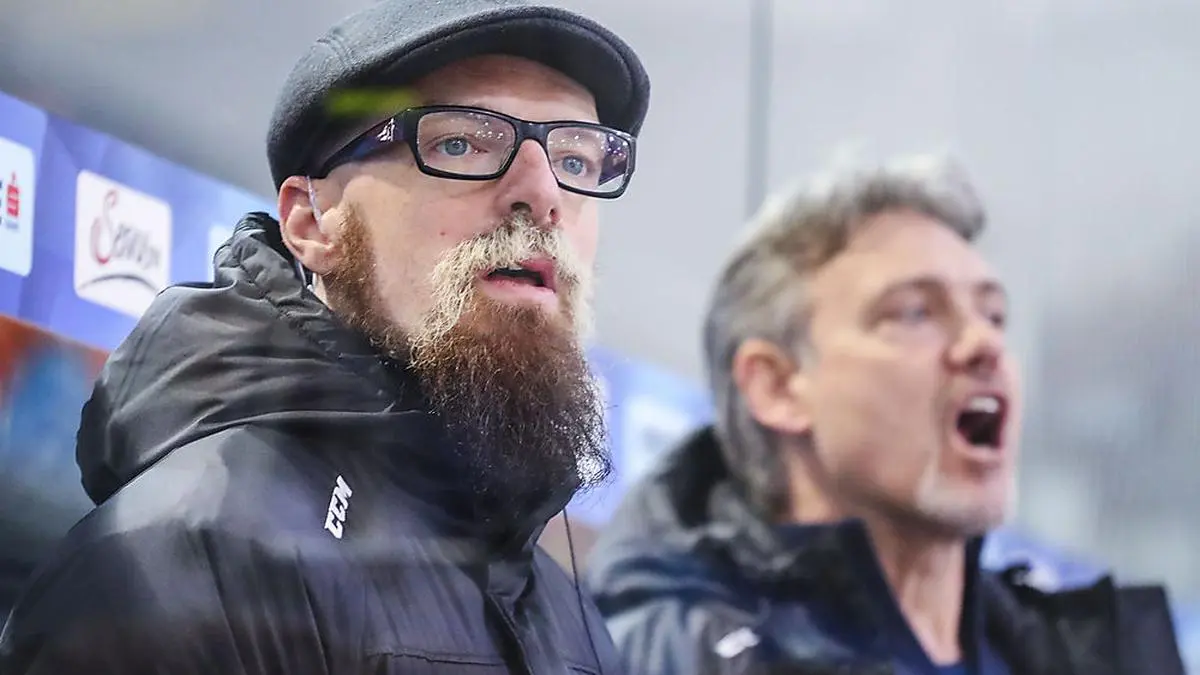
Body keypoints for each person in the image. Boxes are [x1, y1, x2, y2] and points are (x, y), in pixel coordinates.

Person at [0, 0, 650, 672]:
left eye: (576, 160)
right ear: (312, 223)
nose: (543, 193)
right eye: (460, 143)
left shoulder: (571, 620)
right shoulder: (184, 564)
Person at [586, 154, 1186, 675]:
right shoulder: (660, 656)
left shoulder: (1094, 653)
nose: (984, 343)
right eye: (915, 312)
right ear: (778, 386)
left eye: (994, 315)